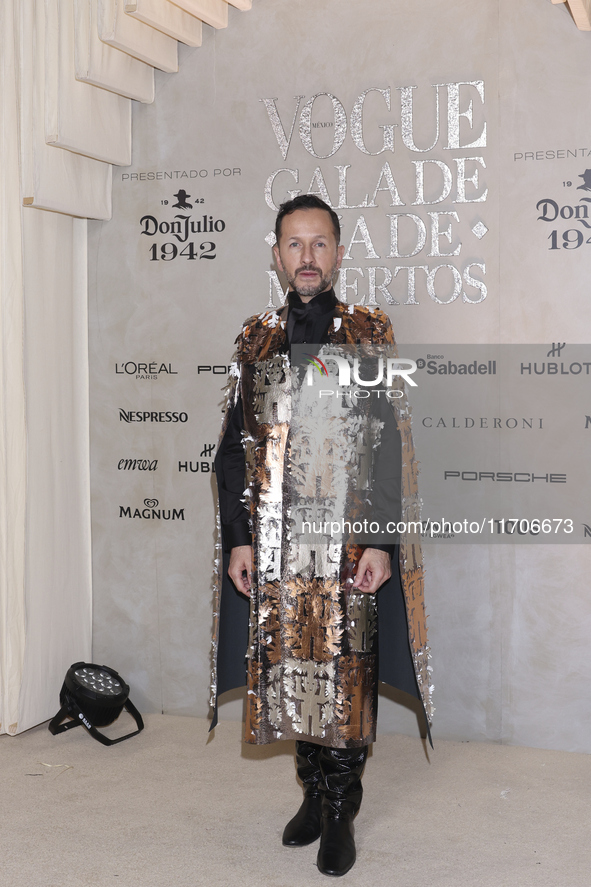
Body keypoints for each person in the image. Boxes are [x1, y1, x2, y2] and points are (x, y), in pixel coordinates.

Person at [211, 195, 431, 877]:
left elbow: (390, 445)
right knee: (290, 670)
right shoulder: (254, 337)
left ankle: (340, 809)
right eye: (293, 244)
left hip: (345, 544)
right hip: (277, 545)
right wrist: (240, 538)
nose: (306, 258)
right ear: (275, 254)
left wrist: (381, 545)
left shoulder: (369, 331)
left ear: (338, 252)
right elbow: (232, 448)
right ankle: (313, 791)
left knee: (345, 672)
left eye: (320, 244)